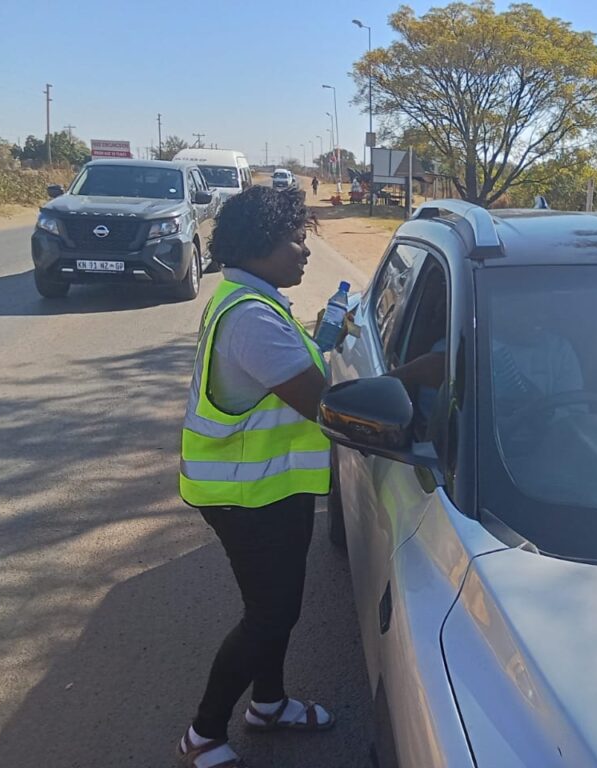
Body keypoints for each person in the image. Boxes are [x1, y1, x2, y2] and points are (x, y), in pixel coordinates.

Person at [176, 185, 439, 768]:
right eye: (296, 240)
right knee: (269, 615)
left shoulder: (256, 300)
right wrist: (421, 371)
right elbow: (323, 404)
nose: (305, 252)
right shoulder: (249, 317)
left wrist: (321, 340)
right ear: (261, 245)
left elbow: (295, 373)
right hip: (244, 495)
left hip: (273, 488)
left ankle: (267, 706)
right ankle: (202, 735)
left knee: (278, 608)